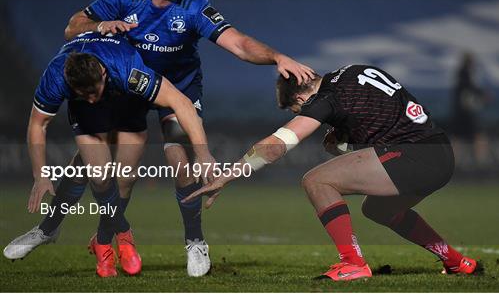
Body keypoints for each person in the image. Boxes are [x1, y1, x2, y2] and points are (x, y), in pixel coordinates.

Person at [9, 0, 314, 277]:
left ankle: (194, 242)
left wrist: (275, 57)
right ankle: (49, 229)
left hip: (177, 90)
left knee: (180, 159)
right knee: (90, 164)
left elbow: (240, 44)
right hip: (127, 84)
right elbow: (72, 28)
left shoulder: (195, 6)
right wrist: (100, 24)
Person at [183, 65, 480, 281]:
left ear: (301, 99)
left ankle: (352, 263)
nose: (304, 114)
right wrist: (344, 141)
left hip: (414, 156)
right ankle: (455, 261)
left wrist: (229, 175)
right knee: (378, 209)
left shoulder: (326, 99)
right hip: (439, 153)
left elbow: (277, 145)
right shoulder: (355, 72)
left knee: (316, 180)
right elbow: (383, 119)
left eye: (297, 111)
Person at [4, 33, 215, 278]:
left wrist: (203, 153)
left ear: (103, 74)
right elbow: (37, 125)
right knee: (99, 174)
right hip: (86, 114)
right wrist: (40, 175)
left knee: (124, 178)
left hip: (127, 101)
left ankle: (102, 240)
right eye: (84, 94)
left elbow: (181, 103)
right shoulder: (56, 76)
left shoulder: (128, 70)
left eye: (93, 92)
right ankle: (116, 233)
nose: (92, 99)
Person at [451, 52, 489, 164]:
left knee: (457, 138)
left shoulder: (461, 75)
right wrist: (482, 94)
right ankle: (481, 163)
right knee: (478, 136)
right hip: (465, 113)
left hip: (460, 112)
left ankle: (454, 163)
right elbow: (469, 89)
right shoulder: (465, 74)